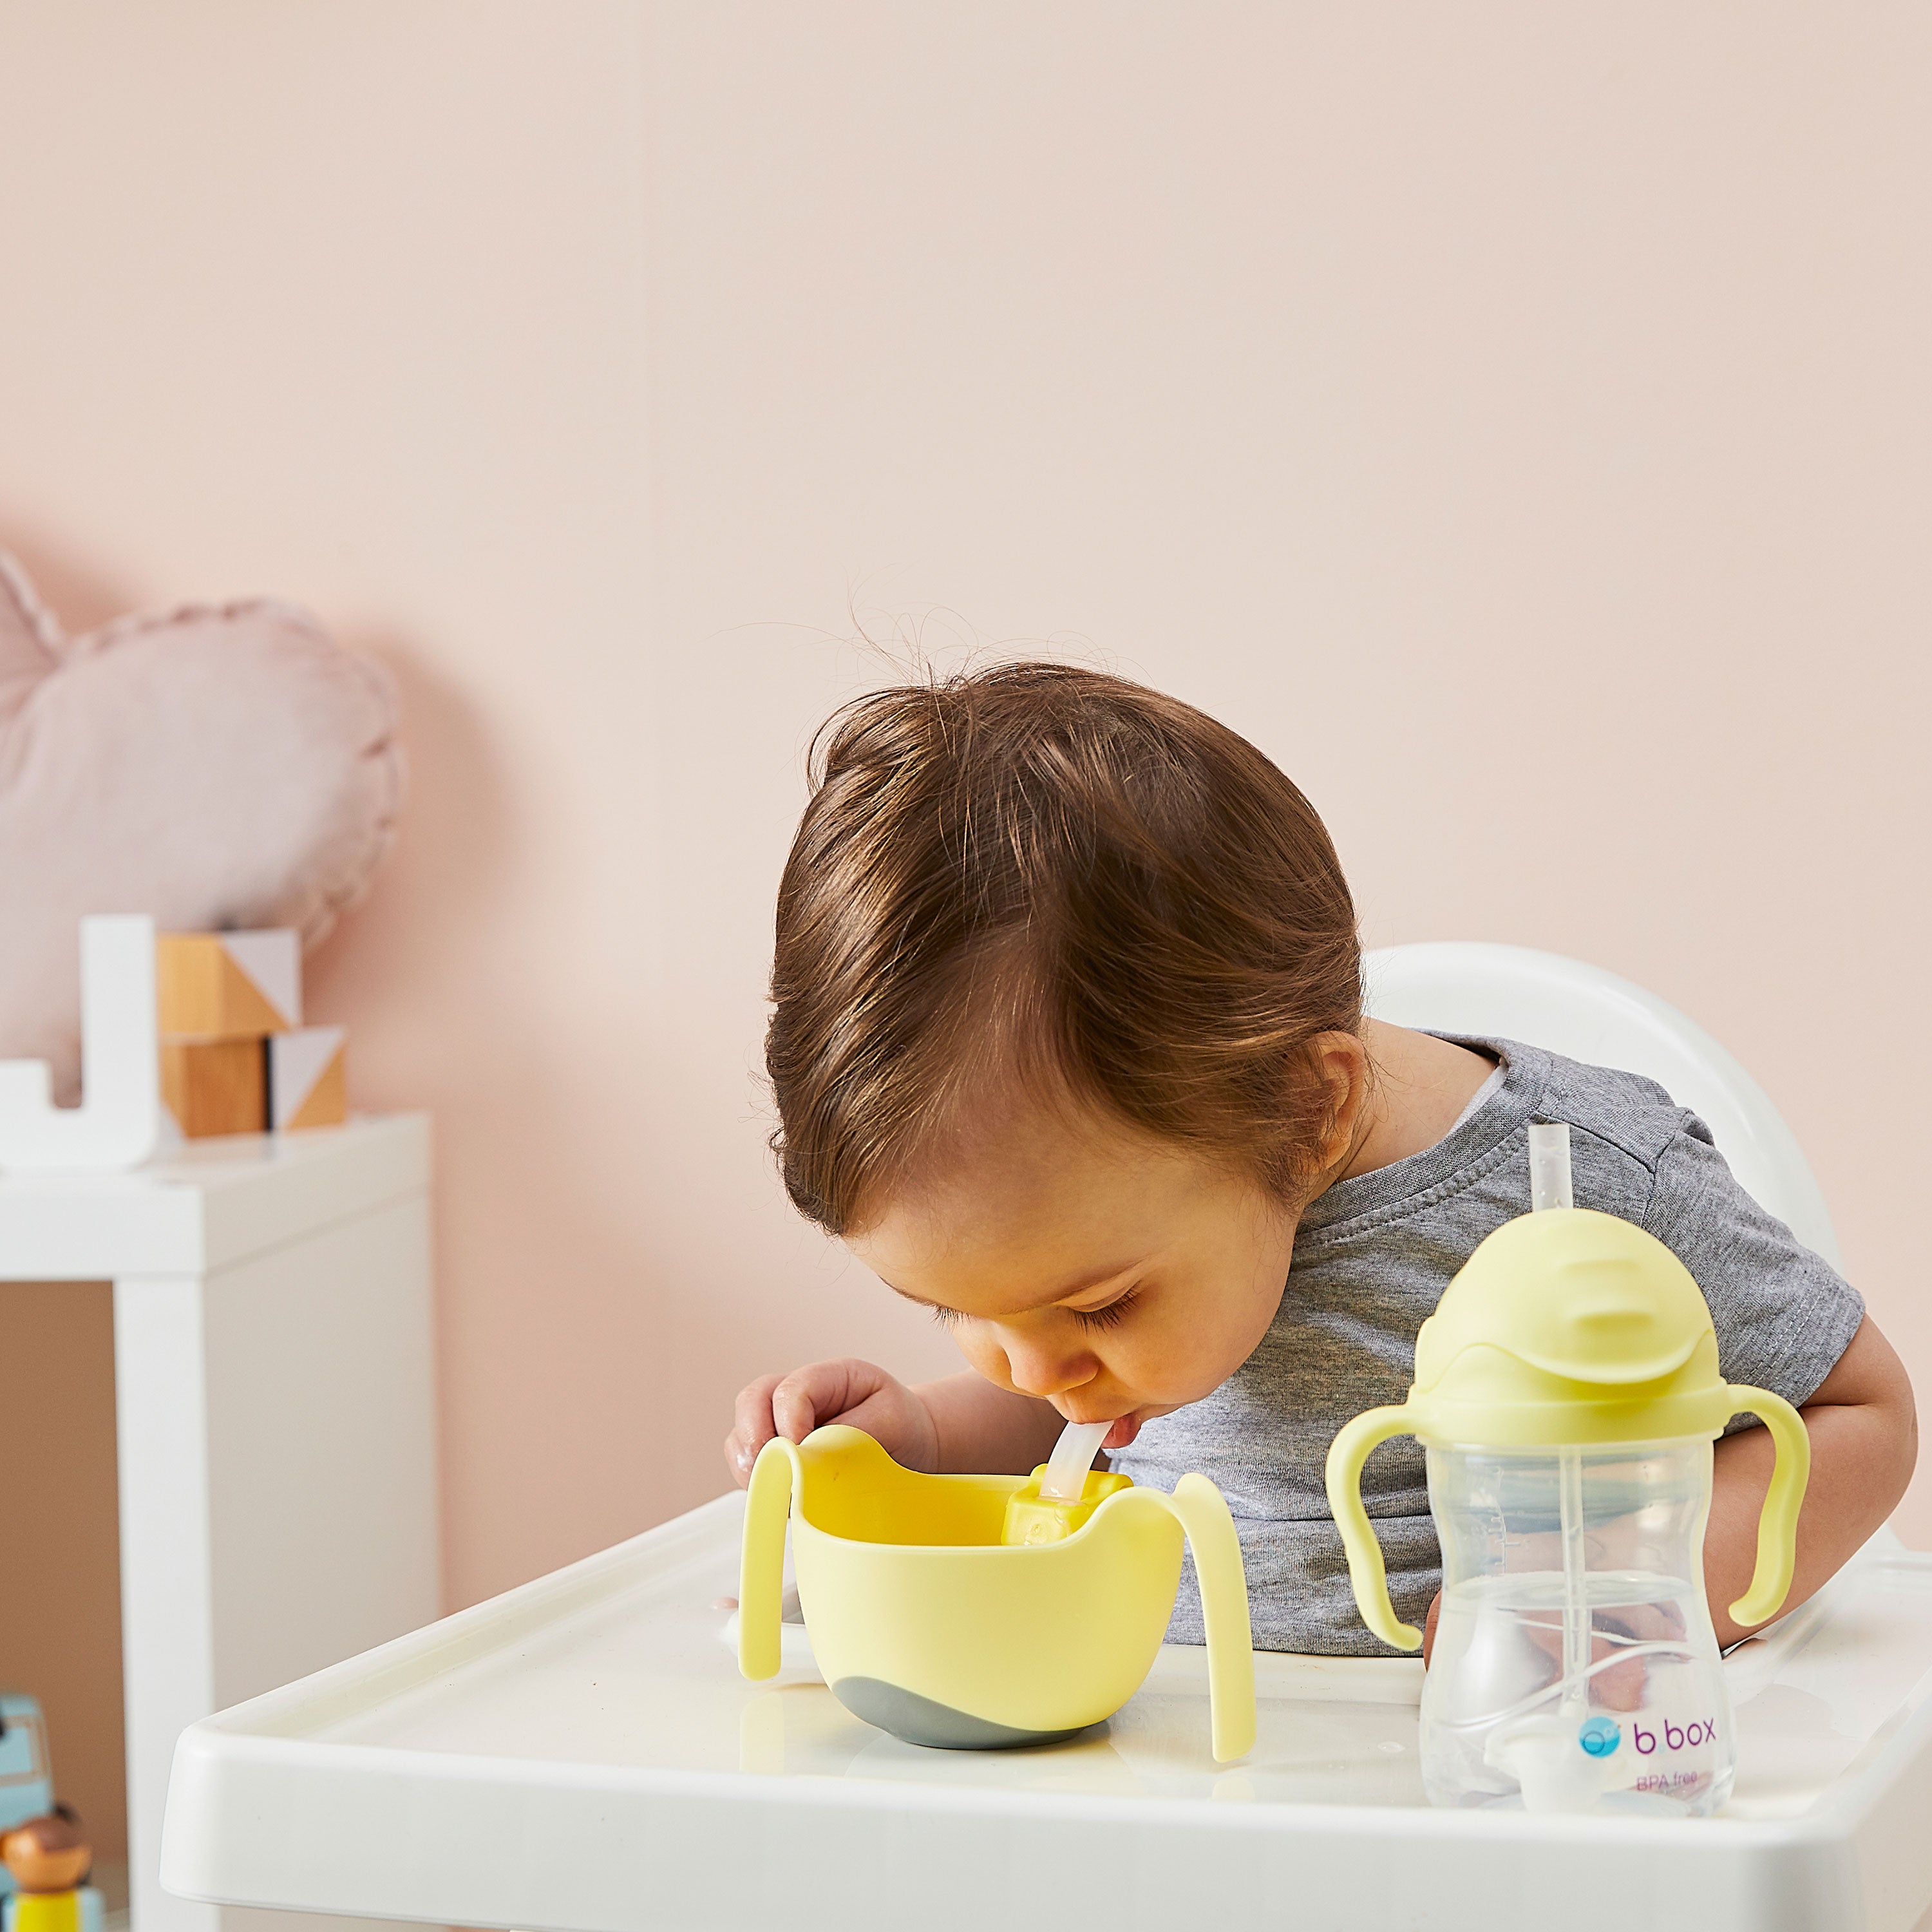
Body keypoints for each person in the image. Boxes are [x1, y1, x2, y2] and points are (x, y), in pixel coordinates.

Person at [724, 663, 1917, 1653]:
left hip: (1487, 1805)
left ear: (1306, 1113)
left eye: (1097, 1303)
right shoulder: (1104, 1300)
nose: (1034, 1373)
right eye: (952, 1313)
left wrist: (1623, 1587)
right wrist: (927, 1443)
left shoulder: (1587, 1180)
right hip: (1170, 1790)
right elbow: (1076, 1421)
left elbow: (1861, 1412)